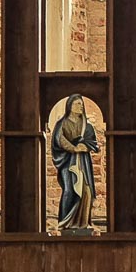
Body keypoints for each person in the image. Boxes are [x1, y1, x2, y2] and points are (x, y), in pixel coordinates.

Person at [51, 93, 99, 229]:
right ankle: (64, 222)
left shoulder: (87, 126)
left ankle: (83, 223)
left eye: (82, 104)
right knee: (69, 190)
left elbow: (93, 142)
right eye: (77, 104)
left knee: (86, 192)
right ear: (70, 106)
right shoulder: (62, 124)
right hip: (68, 161)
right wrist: (73, 148)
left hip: (83, 161)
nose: (80, 106)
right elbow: (59, 139)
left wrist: (85, 146)